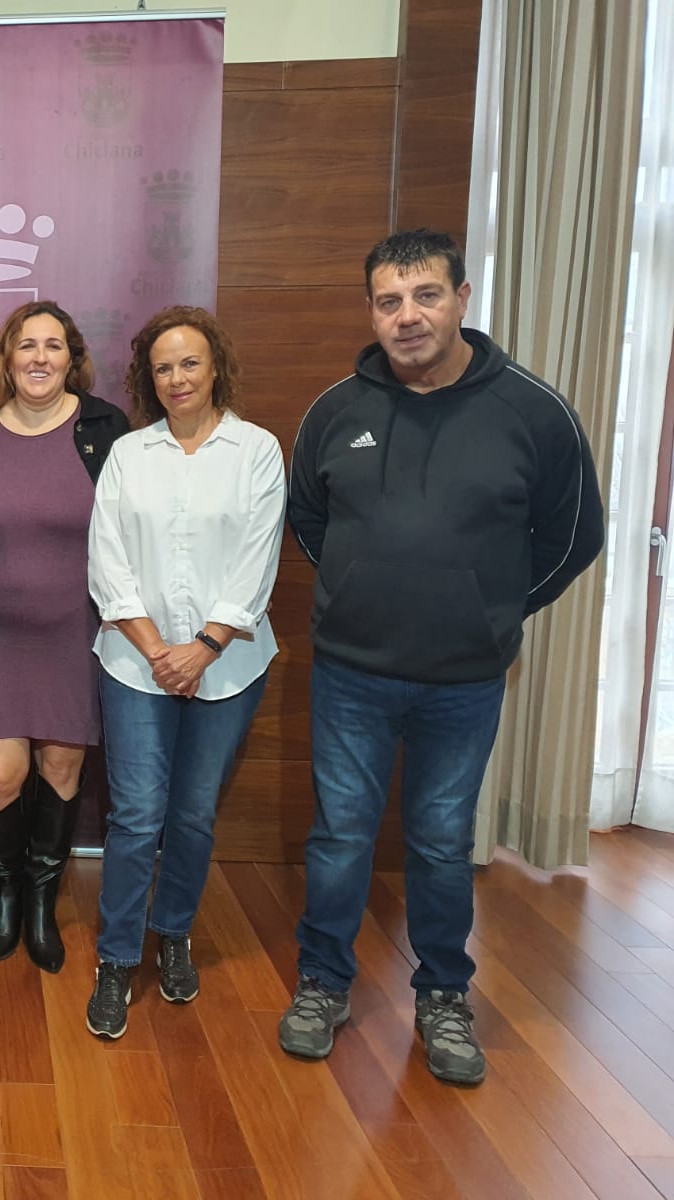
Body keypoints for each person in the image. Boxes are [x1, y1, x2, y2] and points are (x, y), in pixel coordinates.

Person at [279, 229, 604, 1085]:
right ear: (372, 312)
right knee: (342, 834)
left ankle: (443, 996)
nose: (408, 316)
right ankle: (323, 982)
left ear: (463, 297)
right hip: (351, 669)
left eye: (426, 295)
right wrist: (362, 586)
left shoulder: (534, 412)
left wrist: (491, 607)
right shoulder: (335, 410)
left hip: (463, 680)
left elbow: (574, 538)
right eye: (389, 301)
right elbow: (309, 521)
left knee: (439, 837)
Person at [84, 306, 285, 1040]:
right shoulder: (130, 453)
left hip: (227, 665)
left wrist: (201, 647)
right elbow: (107, 559)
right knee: (137, 814)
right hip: (135, 664)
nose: (177, 378)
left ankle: (172, 933)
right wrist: (157, 649)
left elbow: (257, 561)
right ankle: (115, 957)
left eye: (190, 362)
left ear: (215, 367)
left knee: (193, 814)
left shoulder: (257, 451)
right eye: (163, 366)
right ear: (148, 377)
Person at [0, 301, 129, 973]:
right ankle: (3, 898)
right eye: (28, 345)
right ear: (7, 355)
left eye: (54, 346)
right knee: (1, 774)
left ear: (71, 356)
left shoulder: (104, 428)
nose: (40, 358)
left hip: (75, 632)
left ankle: (38, 907)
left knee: (61, 770)